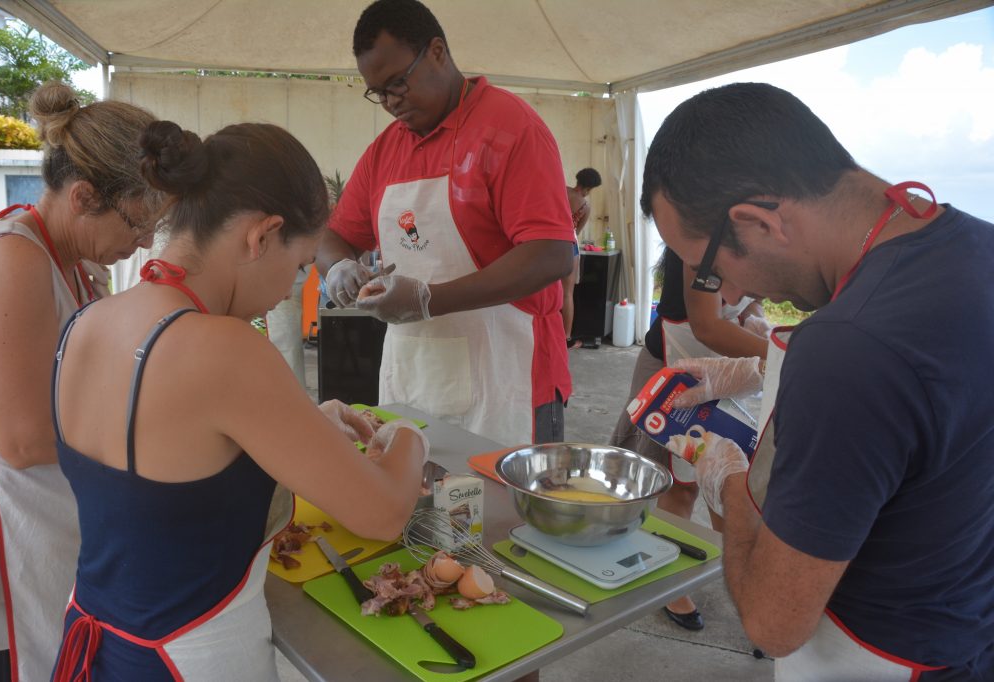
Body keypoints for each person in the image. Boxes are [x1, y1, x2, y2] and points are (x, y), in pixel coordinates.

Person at [49, 120, 428, 681]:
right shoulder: (225, 349)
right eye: (300, 265)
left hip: (96, 640)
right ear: (261, 235)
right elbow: (383, 513)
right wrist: (408, 437)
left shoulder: (88, 319)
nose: (289, 288)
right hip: (191, 657)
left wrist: (308, 426)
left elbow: (164, 472)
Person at [647, 82, 994, 679]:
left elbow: (772, 624)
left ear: (756, 222)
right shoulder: (976, 247)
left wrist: (726, 478)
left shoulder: (849, 348)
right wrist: (762, 367)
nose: (728, 295)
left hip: (877, 656)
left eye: (708, 268)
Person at [317, 0, 576, 446]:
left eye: (398, 82)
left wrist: (429, 300)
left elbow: (550, 253)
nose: (391, 102)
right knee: (418, 505)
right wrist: (337, 267)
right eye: (378, 92)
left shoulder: (510, 129)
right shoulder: (385, 152)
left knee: (502, 510)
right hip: (414, 375)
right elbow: (333, 236)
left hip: (507, 377)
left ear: (437, 51)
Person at [0, 81, 161, 682]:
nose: (147, 240)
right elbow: (23, 438)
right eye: (138, 222)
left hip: (45, 514)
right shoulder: (12, 259)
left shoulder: (72, 263)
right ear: (83, 197)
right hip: (8, 520)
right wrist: (153, 438)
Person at [608, 247, 766, 631]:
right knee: (678, 487)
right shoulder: (701, 241)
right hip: (675, 371)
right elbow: (707, 326)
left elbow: (748, 304)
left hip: (732, 376)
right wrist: (780, 353)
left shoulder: (765, 236)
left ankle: (748, 593)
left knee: (732, 489)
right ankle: (671, 583)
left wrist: (754, 319)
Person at [562, 168, 602, 349]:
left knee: (545, 290)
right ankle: (566, 337)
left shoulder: (561, 190)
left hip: (548, 242)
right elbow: (576, 232)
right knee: (567, 293)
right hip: (569, 245)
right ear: (589, 188)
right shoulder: (585, 206)